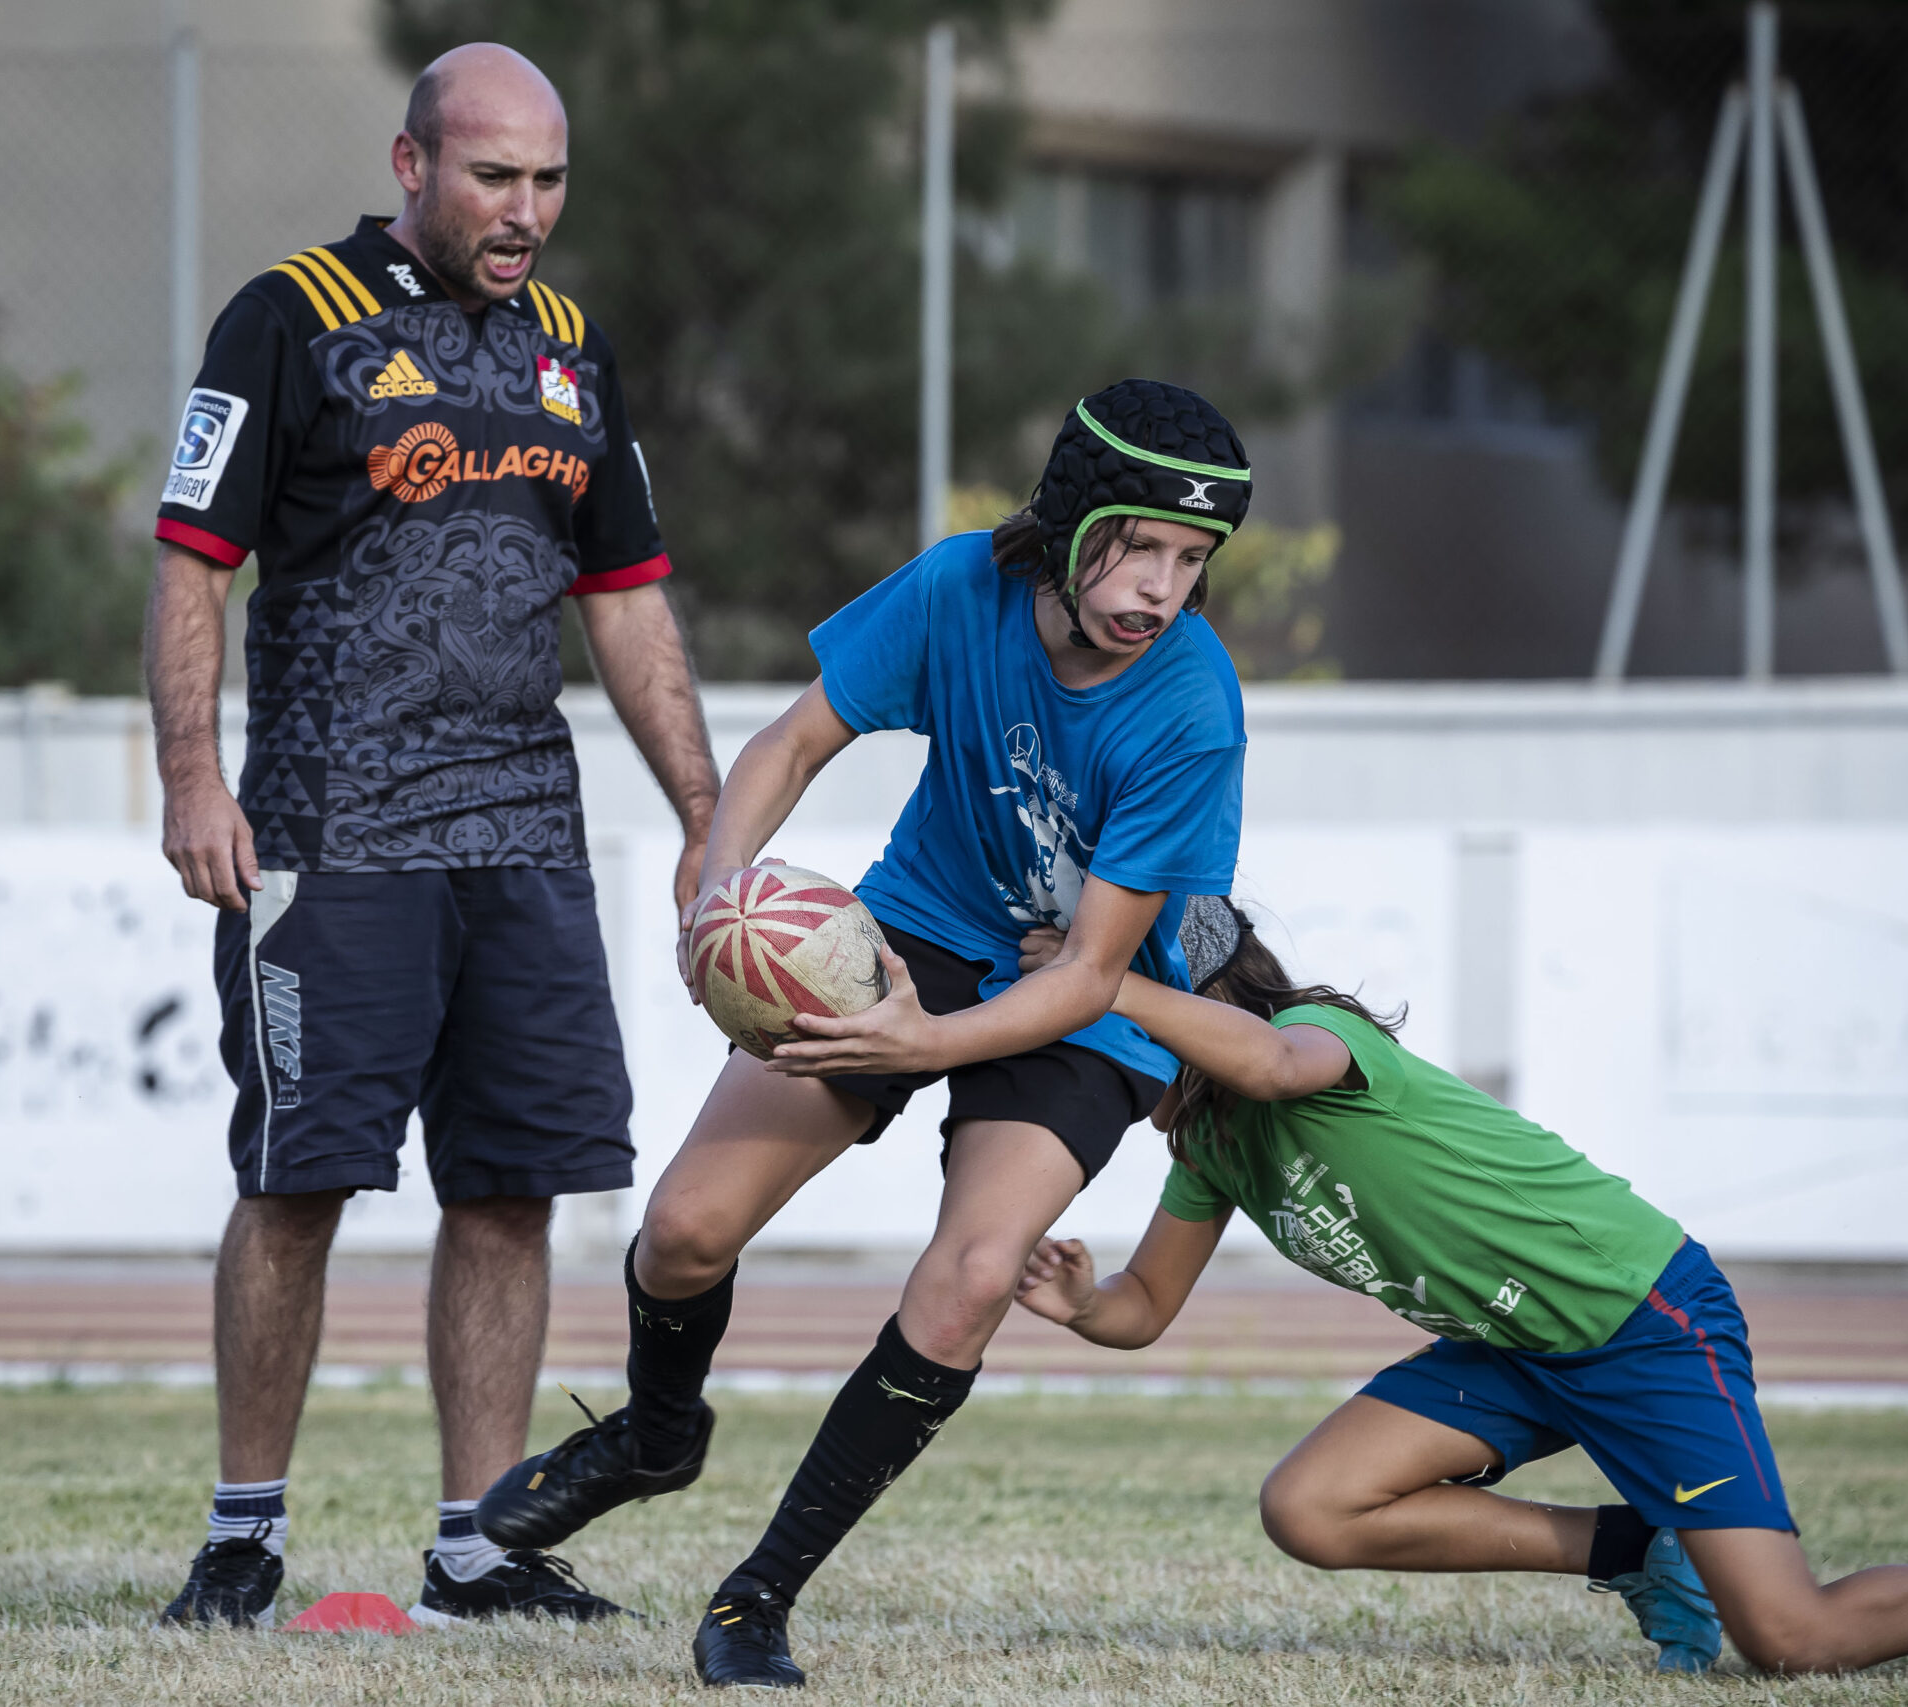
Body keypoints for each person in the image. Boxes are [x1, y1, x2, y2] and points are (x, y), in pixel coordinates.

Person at [472, 380, 1255, 1687]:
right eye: (1140, 545)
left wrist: (922, 1048)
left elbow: (1093, 972)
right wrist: (718, 889)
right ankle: (658, 1438)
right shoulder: (960, 589)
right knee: (683, 1228)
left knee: (968, 1278)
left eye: (1192, 559)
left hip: (1088, 1001)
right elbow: (790, 743)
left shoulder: (1191, 704)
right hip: (923, 928)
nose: (1162, 587)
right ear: (1068, 519)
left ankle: (755, 1599)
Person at [1011, 898, 1908, 1678]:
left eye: (1109, 1014)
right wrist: (1077, 1305)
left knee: (1790, 1637)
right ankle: (1642, 1551)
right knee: (1312, 1509)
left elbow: (1272, 1062)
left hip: (1638, 1320)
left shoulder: (1326, 1044)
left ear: (1188, 1001)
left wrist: (1091, 974)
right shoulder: (1210, 1144)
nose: (1095, 1045)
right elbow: (1144, 1307)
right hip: (1512, 1351)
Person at [143, 43, 718, 1629]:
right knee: (299, 1177)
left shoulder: (575, 349)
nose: (524, 211)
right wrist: (196, 780)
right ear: (413, 168)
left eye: (546, 180)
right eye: (492, 178)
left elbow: (628, 602)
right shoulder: (288, 319)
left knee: (516, 1185)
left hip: (525, 839)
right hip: (331, 833)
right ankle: (242, 1529)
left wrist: (707, 816)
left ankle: (480, 1546)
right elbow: (193, 564)